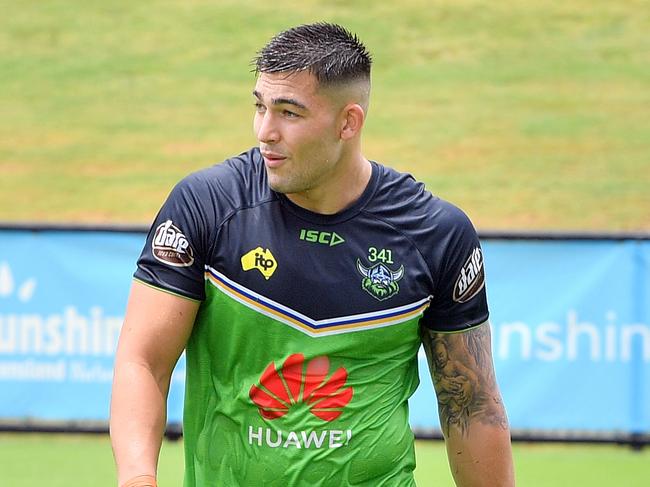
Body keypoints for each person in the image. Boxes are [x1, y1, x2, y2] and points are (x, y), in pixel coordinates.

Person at [110, 22, 514, 487]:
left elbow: (470, 402)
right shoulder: (206, 206)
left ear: (349, 122)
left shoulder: (435, 233)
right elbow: (143, 361)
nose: (266, 131)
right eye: (259, 106)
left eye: (289, 113)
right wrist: (138, 477)